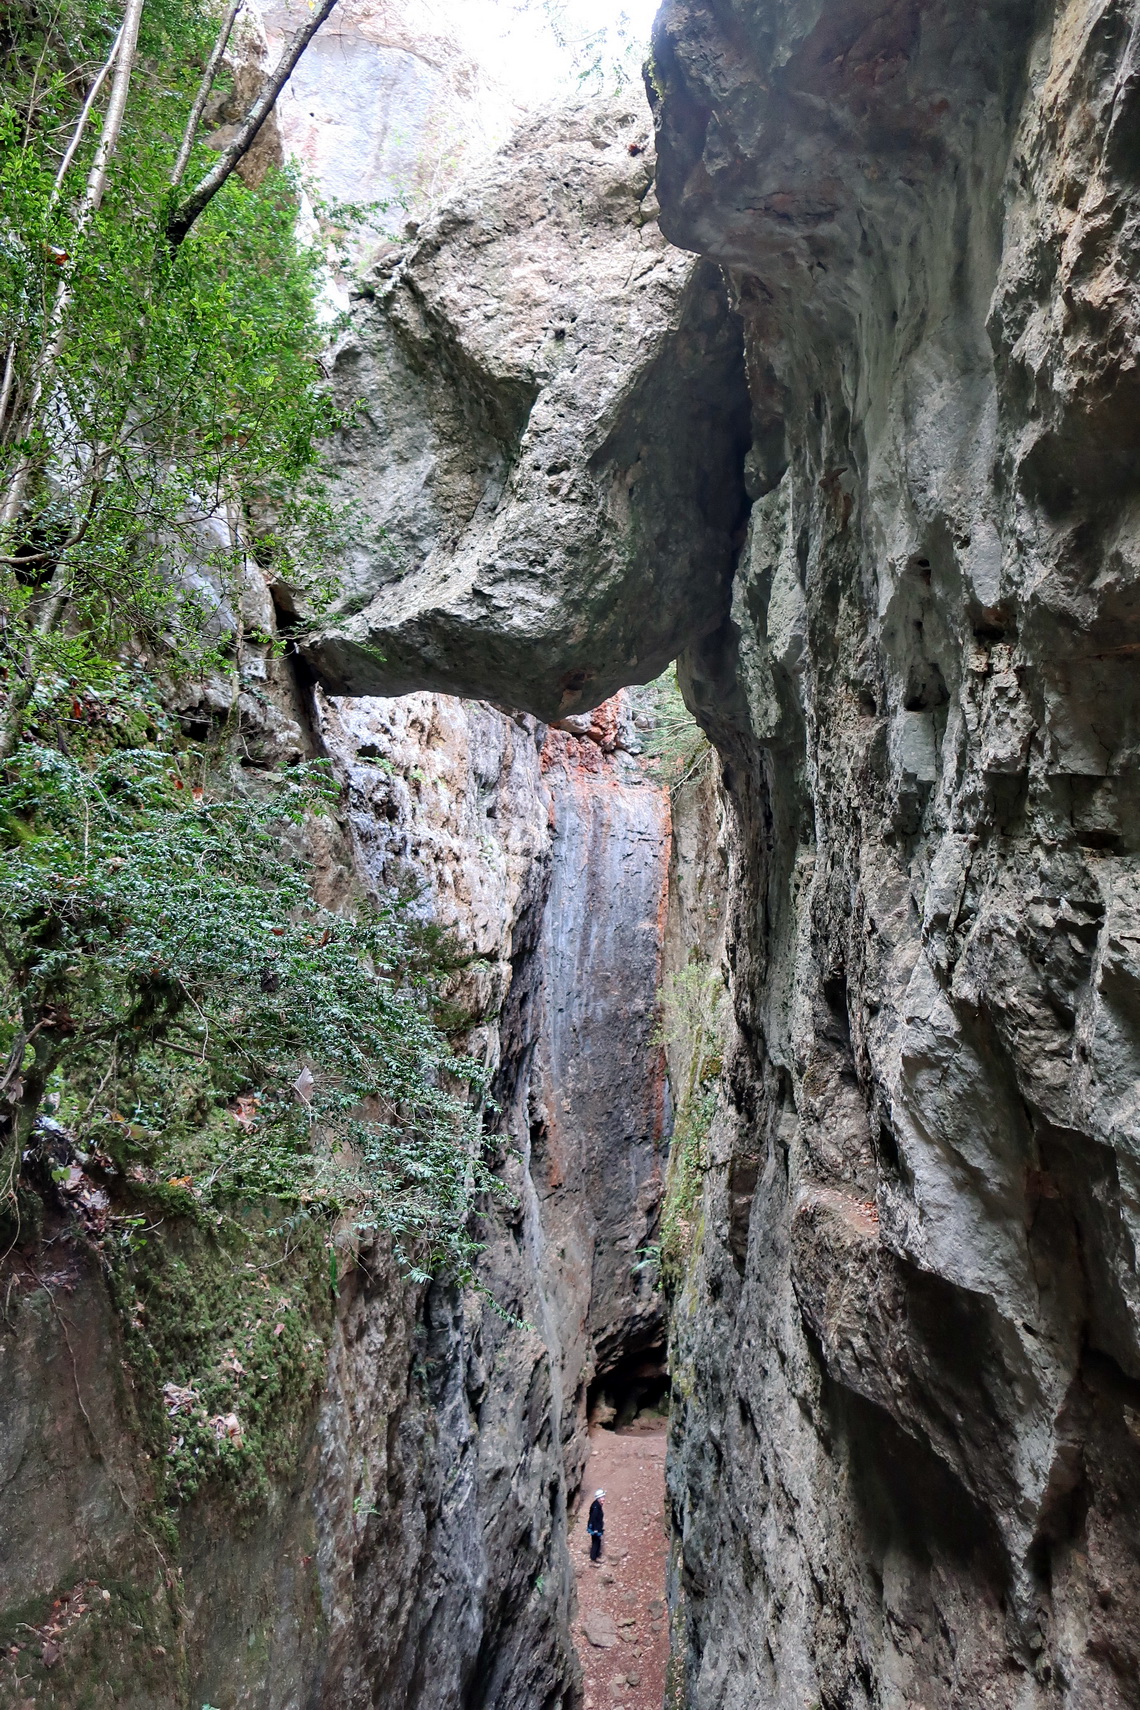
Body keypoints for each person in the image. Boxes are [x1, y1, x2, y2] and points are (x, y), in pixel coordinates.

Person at [587, 1489, 605, 1561]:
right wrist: (595, 1529)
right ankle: (593, 1557)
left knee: (597, 1541)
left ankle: (597, 1554)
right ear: (599, 1498)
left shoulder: (597, 1505)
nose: (604, 1499)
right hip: (595, 1528)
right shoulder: (596, 1508)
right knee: (595, 1542)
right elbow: (593, 1518)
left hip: (597, 1526)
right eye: (602, 1497)